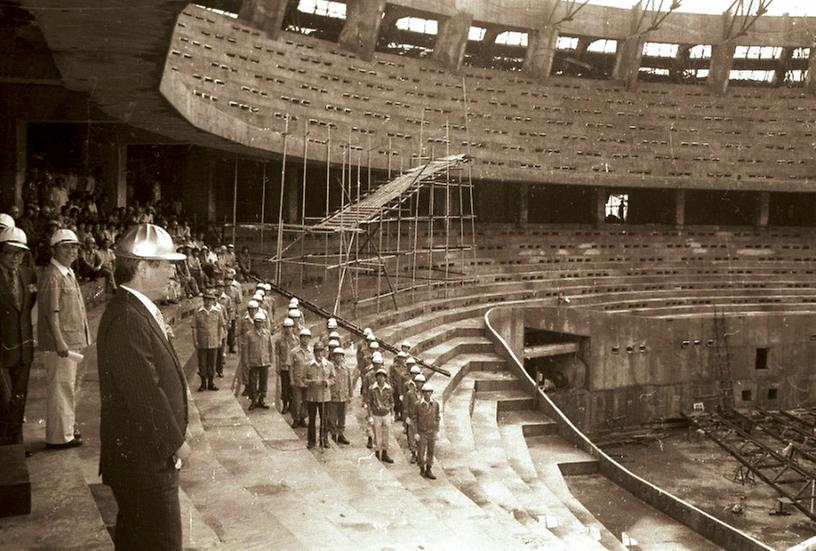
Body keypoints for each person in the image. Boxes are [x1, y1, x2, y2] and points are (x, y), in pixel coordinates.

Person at [96, 223, 190, 550]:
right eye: (166, 265)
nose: (173, 273)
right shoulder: (128, 318)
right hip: (146, 464)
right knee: (161, 542)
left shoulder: (134, 311)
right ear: (143, 268)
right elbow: (145, 394)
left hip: (143, 460)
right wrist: (176, 444)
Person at [38, 228, 90, 449]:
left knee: (67, 387)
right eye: (66, 246)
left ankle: (66, 431)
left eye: (74, 247)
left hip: (72, 340)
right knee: (61, 388)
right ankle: (59, 438)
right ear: (54, 249)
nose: (71, 251)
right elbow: (52, 312)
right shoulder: (53, 275)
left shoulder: (67, 272)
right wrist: (59, 341)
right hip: (62, 344)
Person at [0, 227, 36, 446]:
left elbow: (28, 304)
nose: (15, 258)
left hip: (23, 346)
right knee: (3, 399)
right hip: (2, 347)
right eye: (10, 252)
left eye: (20, 253)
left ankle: (16, 441)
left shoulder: (28, 273)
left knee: (19, 396)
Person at [191, 290, 223, 392]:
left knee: (212, 363)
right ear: (204, 300)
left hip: (214, 342)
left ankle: (211, 383)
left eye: (211, 299)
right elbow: (194, 327)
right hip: (202, 342)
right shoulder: (198, 312)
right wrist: (195, 341)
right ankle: (203, 383)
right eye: (207, 299)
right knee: (202, 363)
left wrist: (220, 339)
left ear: (213, 300)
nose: (209, 302)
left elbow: (220, 326)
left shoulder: (217, 311)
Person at [305, 341, 334, 449]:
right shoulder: (308, 365)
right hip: (312, 396)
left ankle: (324, 439)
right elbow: (303, 379)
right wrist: (310, 382)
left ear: (324, 352)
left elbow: (333, 378)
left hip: (324, 396)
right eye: (317, 351)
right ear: (314, 352)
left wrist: (327, 382)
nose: (319, 353)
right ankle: (311, 441)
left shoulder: (329, 365)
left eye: (321, 351)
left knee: (324, 419)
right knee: (312, 419)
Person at [242, 311, 273, 411]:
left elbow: (270, 347)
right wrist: (246, 362)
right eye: (257, 322)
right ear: (254, 322)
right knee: (253, 382)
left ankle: (261, 399)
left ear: (263, 323)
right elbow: (246, 349)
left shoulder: (267, 333)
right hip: (253, 361)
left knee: (263, 382)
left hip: (264, 360)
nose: (259, 324)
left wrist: (270, 359)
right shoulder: (249, 334)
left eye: (261, 322)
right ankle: (253, 400)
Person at [368, 365, 394, 464]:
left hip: (386, 414)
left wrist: (392, 414)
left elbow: (392, 402)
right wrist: (370, 416)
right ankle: (377, 452)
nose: (381, 378)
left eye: (383, 376)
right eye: (379, 376)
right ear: (376, 377)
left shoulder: (389, 389)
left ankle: (385, 453)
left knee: (386, 434)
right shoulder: (372, 389)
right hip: (376, 414)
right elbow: (369, 402)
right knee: (377, 434)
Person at [288, 327, 313, 428]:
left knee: (306, 401)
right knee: (296, 401)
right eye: (303, 337)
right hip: (297, 379)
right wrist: (291, 380)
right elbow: (290, 366)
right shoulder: (294, 352)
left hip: (308, 380)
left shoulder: (312, 352)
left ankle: (303, 418)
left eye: (307, 338)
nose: (305, 340)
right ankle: (295, 418)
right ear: (300, 338)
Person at [415, 382, 440, 480]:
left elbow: (437, 417)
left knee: (431, 451)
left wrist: (437, 430)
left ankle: (429, 469)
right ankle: (422, 469)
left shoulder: (435, 404)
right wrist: (416, 432)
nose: (427, 394)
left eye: (429, 392)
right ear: (423, 393)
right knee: (421, 452)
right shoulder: (418, 404)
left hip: (432, 431)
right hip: (422, 431)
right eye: (425, 392)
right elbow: (415, 418)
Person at [327, 346, 352, 445]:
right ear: (334, 357)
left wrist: (350, 395)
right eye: (337, 356)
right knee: (332, 416)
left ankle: (340, 433)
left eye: (341, 356)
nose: (339, 358)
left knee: (342, 416)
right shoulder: (330, 368)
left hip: (343, 396)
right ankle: (333, 434)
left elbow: (349, 382)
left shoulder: (346, 368)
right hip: (333, 395)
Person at [403, 370, 423, 464]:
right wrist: (406, 418)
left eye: (421, 382)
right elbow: (406, 406)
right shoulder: (410, 393)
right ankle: (414, 454)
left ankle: (420, 454)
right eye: (418, 382)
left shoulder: (424, 394)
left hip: (422, 419)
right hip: (412, 418)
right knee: (411, 437)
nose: (419, 384)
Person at [276, 317, 295, 414]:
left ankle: (291, 405)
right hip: (284, 366)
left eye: (290, 327)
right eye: (286, 327)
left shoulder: (296, 340)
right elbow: (278, 355)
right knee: (284, 387)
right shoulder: (279, 341)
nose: (288, 329)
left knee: (292, 387)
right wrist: (277, 366)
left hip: (293, 368)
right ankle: (285, 405)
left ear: (292, 328)